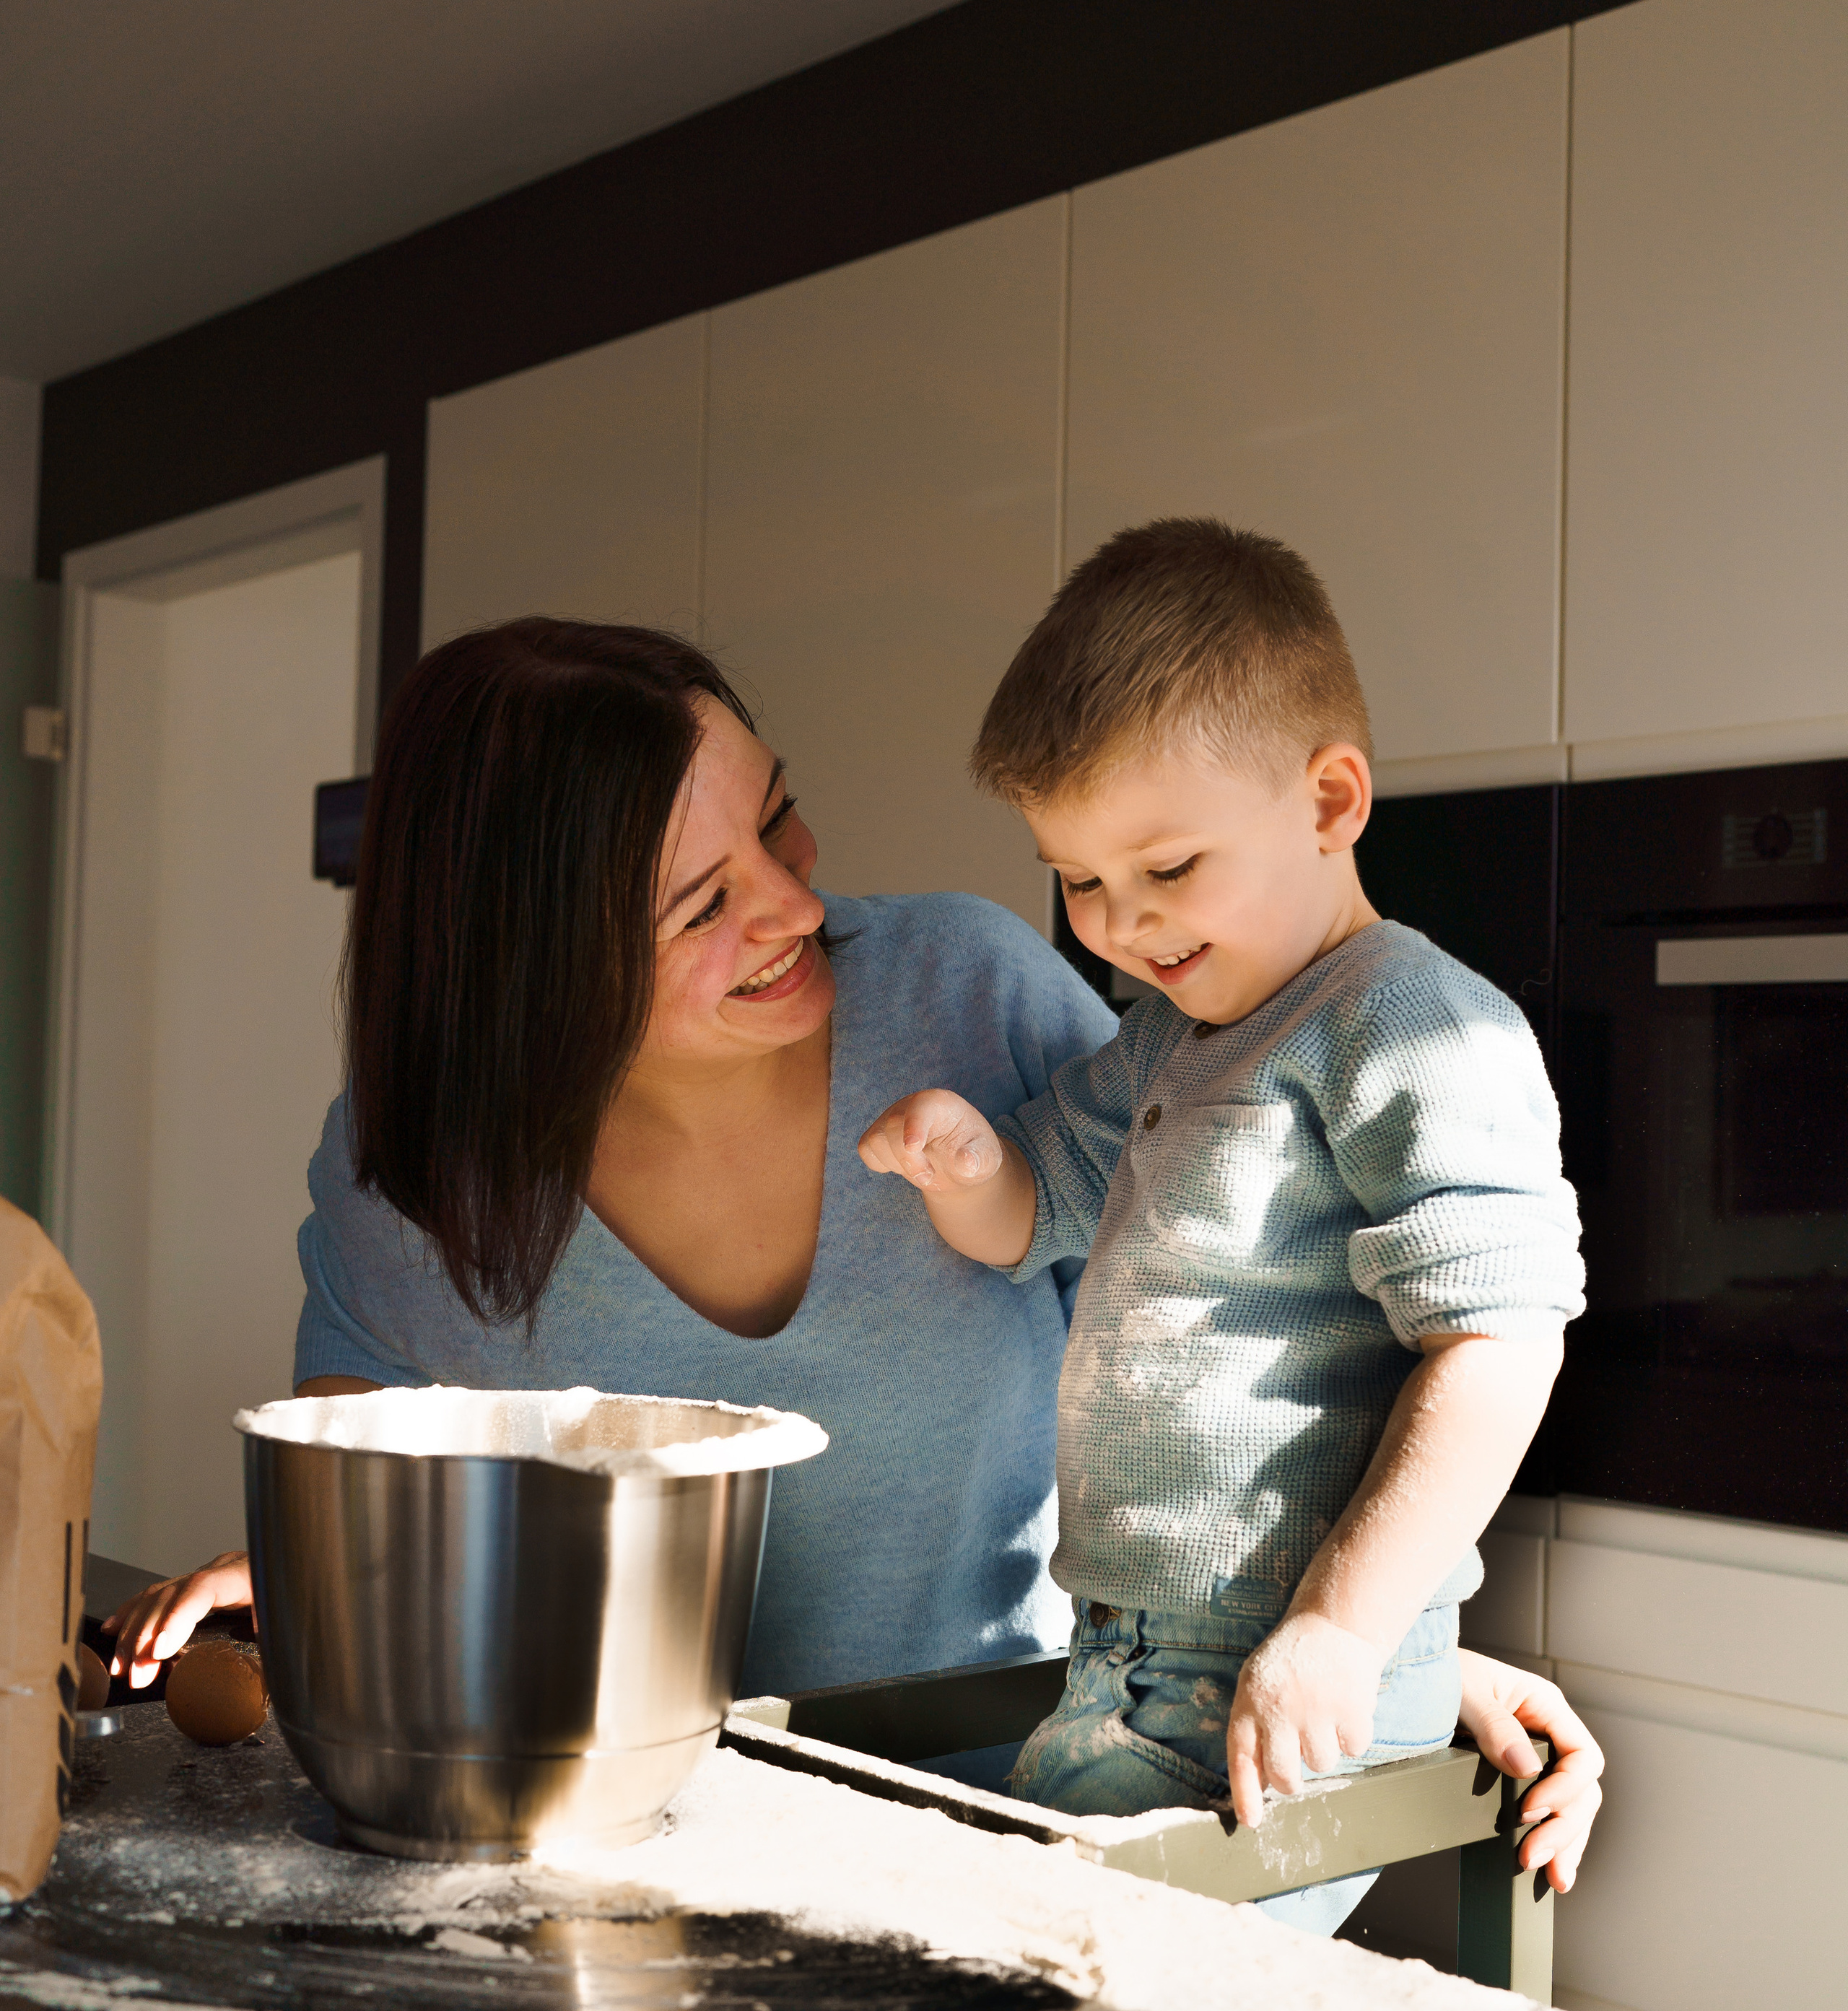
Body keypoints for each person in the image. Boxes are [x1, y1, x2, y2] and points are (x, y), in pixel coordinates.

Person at [103, 609, 1603, 1897]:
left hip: (1015, 1818)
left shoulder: (971, 993)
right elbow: (382, 1485)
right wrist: (326, 1574)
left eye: (777, 816)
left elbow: (1233, 1332)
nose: (797, 901)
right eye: (706, 900)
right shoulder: (411, 1156)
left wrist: (1372, 1639)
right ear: (529, 975)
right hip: (603, 1855)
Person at [860, 521, 1585, 1932]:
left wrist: (1343, 1627)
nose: (1118, 924)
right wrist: (963, 1166)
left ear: (1327, 800)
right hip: (1115, 1669)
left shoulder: (1409, 1023)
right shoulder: (1166, 1044)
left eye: (1167, 867)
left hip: (1283, 1677)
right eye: (1075, 879)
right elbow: (1030, 1218)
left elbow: (1498, 1345)